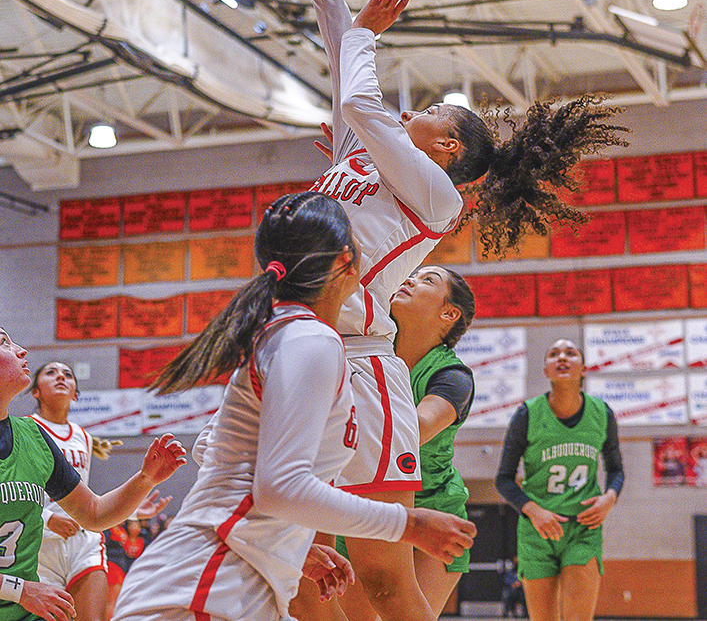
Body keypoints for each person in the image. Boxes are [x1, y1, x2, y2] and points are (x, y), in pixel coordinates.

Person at [291, 0, 628, 621]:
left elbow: (358, 97)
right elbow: (341, 71)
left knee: (380, 578)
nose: (410, 110)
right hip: (302, 347)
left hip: (356, 364)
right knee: (296, 553)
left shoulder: (436, 196)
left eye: (432, 113)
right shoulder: (367, 152)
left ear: (445, 147)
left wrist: (366, 32)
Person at [110, 191, 476, 621]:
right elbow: (278, 487)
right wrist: (407, 525)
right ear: (350, 264)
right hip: (208, 584)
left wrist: (289, 547)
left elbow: (212, 450)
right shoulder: (310, 340)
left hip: (220, 575)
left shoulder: (288, 333)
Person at [0, 328, 186, 621]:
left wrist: (145, 480)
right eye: (3, 343)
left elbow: (94, 511)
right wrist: (20, 590)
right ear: (35, 393)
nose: (21, 350)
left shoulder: (42, 437)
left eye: (68, 374)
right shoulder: (35, 424)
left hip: (71, 544)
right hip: (41, 551)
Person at [334, 266, 476, 621]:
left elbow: (414, 430)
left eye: (428, 280)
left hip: (434, 508)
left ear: (449, 313)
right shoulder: (368, 348)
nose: (410, 280)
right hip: (365, 505)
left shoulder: (452, 376)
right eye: (411, 274)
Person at [29, 361, 172, 621]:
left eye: (68, 375)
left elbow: (85, 495)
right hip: (39, 543)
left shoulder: (83, 436)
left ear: (75, 393)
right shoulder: (25, 430)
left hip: (82, 538)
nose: (60, 376)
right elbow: (13, 490)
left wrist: (128, 511)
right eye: (51, 373)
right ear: (36, 392)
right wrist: (48, 519)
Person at [495, 339, 624, 621]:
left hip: (583, 527)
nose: (562, 358)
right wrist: (533, 510)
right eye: (554, 354)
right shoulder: (526, 415)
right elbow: (503, 479)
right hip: (538, 530)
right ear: (546, 371)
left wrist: (609, 497)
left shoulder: (602, 414)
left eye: (570, 353)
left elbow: (616, 470)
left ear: (584, 369)